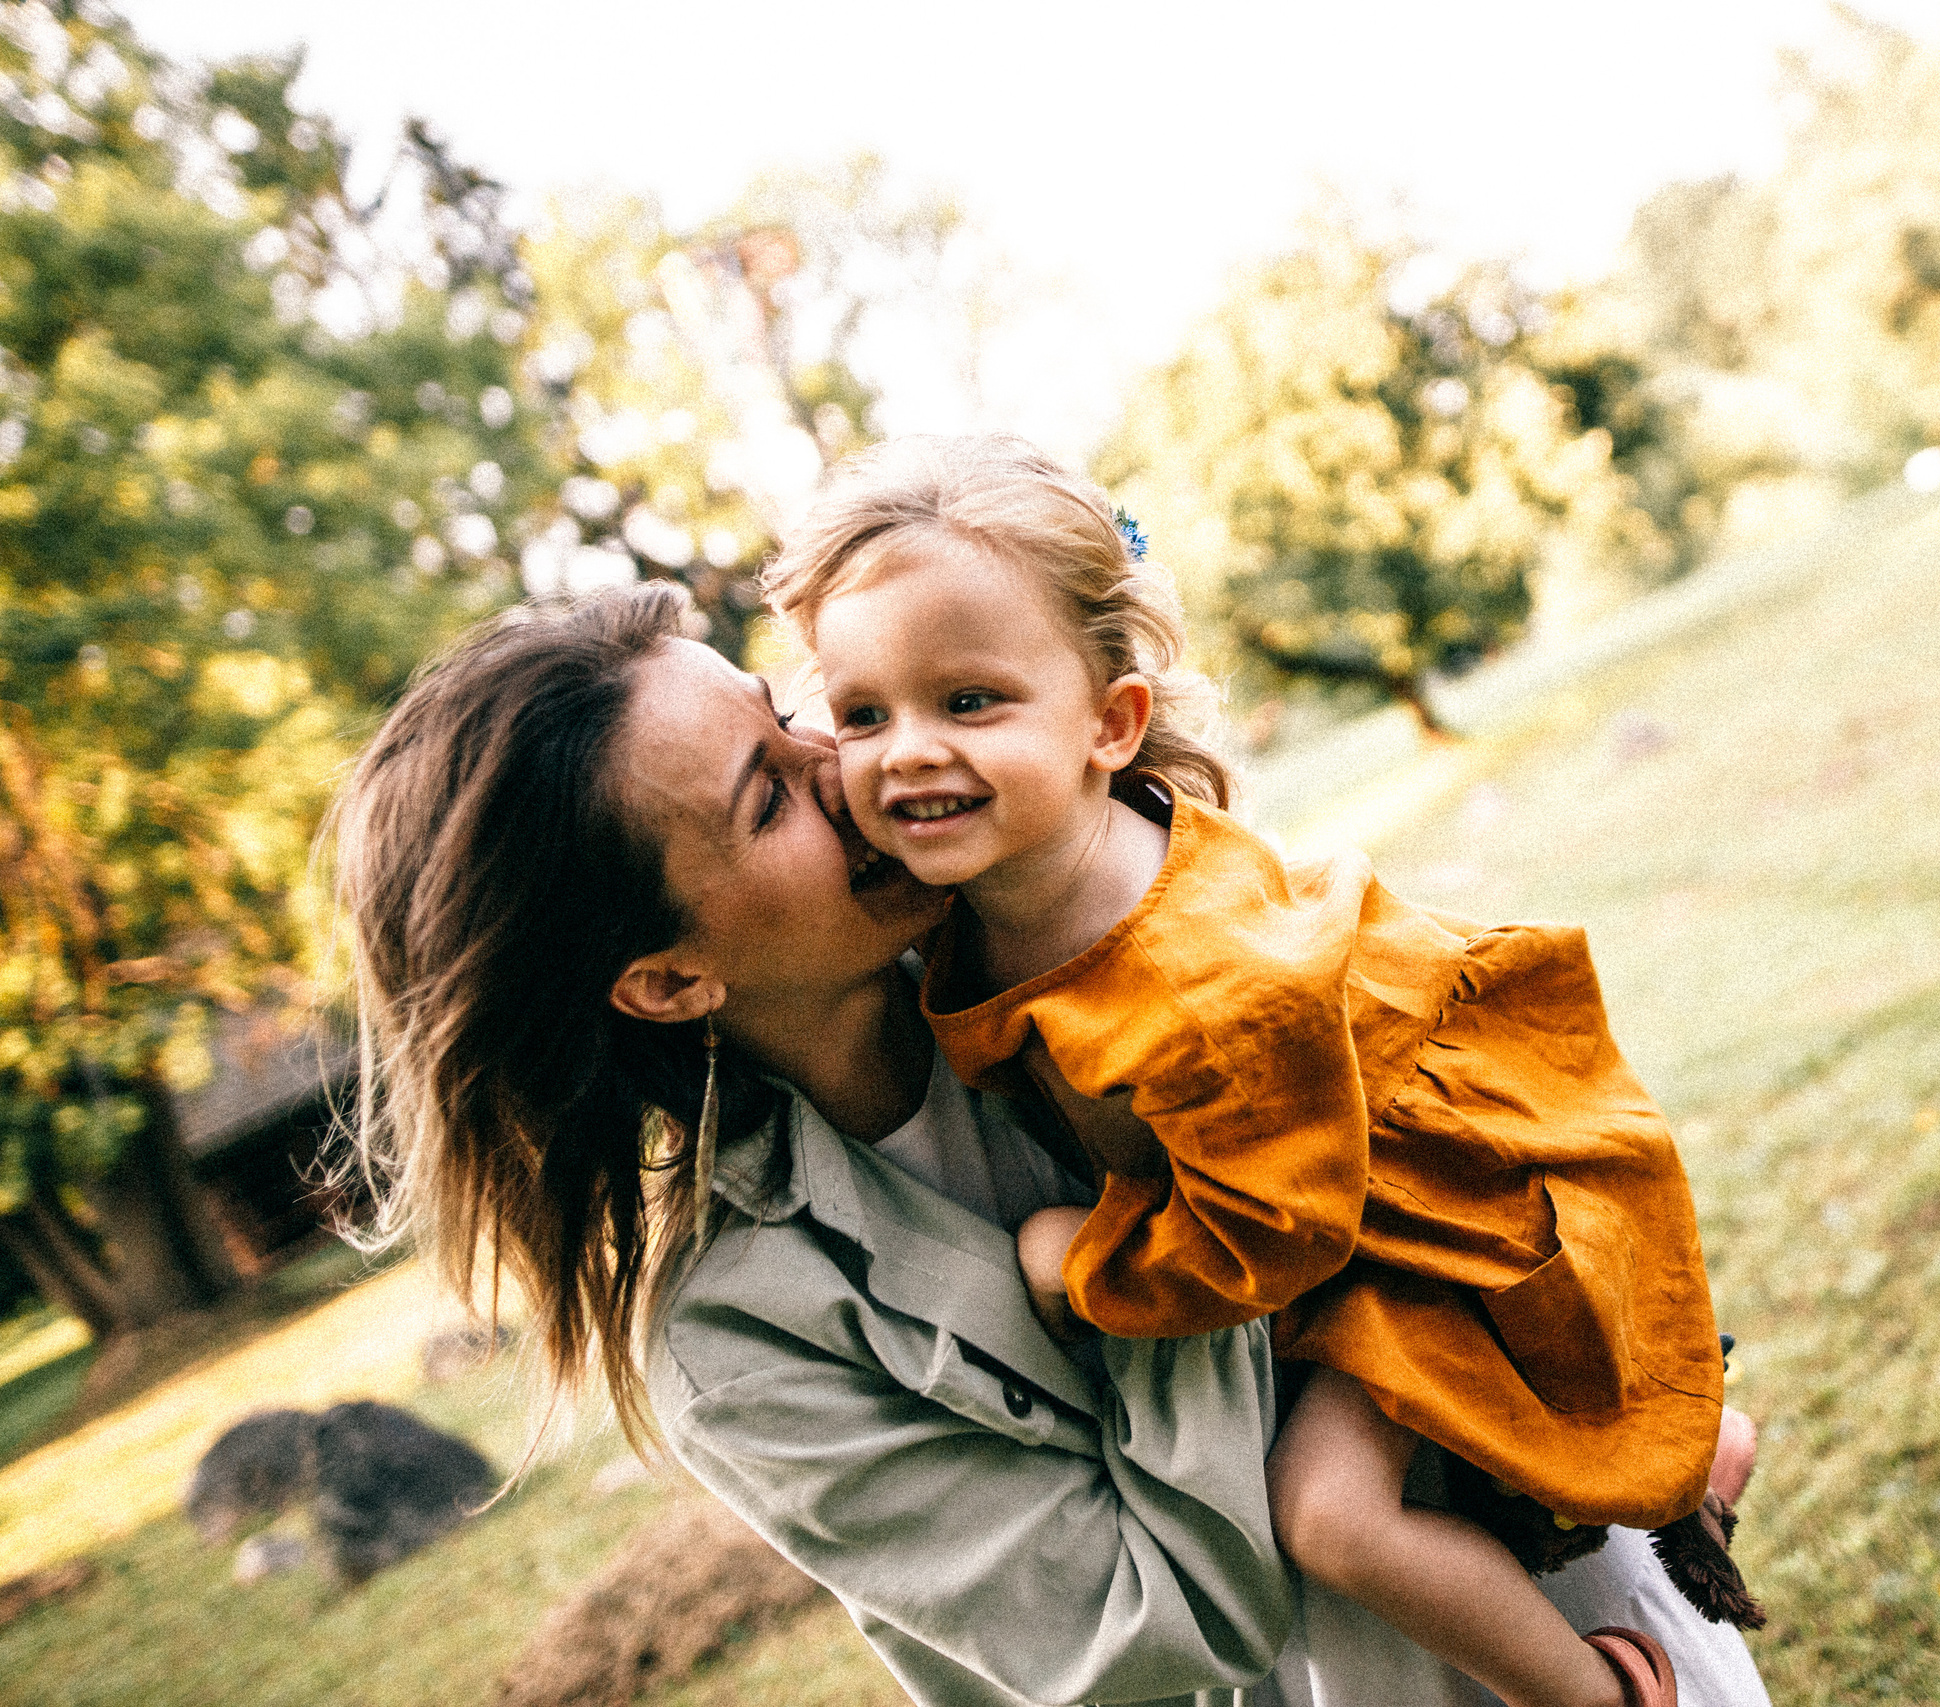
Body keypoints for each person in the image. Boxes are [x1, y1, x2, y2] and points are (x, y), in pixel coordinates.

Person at [328, 583, 1769, 1707]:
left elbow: (1445, 1085)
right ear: (666, 979)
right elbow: (1156, 1622)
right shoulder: (738, 1333)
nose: (846, 764)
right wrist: (1134, 1268)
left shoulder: (1068, 921)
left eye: (791, 714)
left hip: (1576, 1598)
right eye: (766, 796)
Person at [763, 434, 1755, 1707]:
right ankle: (1686, 1458)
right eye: (862, 714)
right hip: (1337, 1198)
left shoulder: (1199, 985)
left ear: (1110, 724)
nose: (905, 750)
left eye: (968, 703)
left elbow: (1273, 1236)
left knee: (1331, 1520)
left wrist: (1081, 1262)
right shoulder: (988, 879)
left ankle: (1600, 1687)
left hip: (1416, 1219)